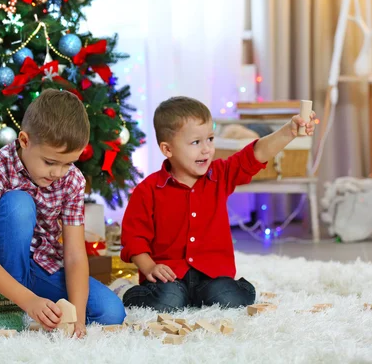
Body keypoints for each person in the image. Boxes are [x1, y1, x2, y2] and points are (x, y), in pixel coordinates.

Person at [0, 89, 126, 337]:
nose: (58, 173)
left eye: (68, 163)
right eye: (50, 162)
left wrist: (76, 317)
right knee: (19, 204)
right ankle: (3, 307)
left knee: (110, 313)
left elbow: (75, 255)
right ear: (24, 140)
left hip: (37, 269)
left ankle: (13, 307)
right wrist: (29, 301)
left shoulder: (71, 179)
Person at [116, 96, 316, 312]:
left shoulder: (220, 175)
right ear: (167, 149)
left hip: (211, 277)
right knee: (168, 301)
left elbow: (255, 154)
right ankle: (126, 291)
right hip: (170, 278)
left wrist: (289, 130)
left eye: (210, 139)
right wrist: (149, 267)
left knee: (229, 298)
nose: (206, 149)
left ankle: (230, 289)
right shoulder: (148, 190)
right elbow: (134, 238)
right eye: (196, 142)